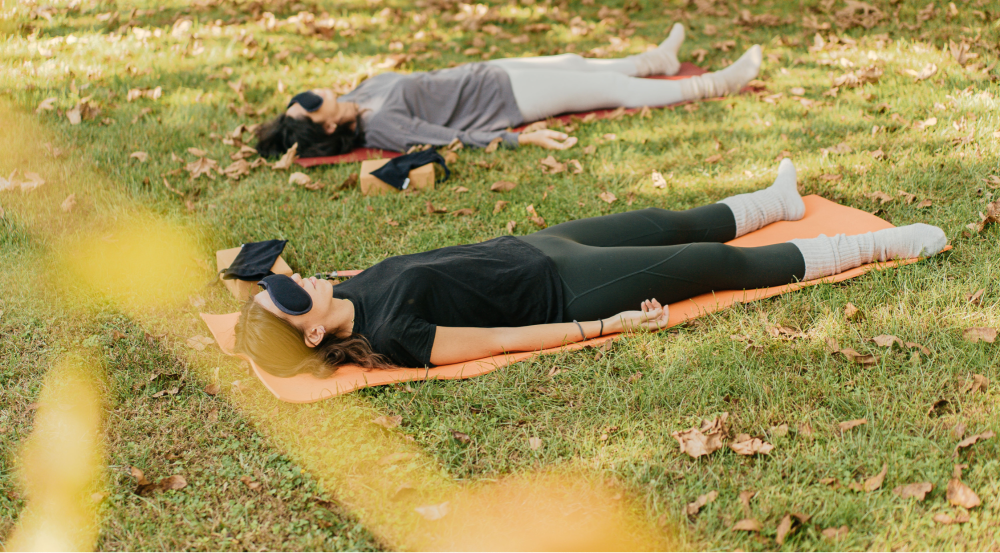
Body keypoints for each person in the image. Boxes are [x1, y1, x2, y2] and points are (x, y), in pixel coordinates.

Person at [234, 160, 948, 376]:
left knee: (670, 220)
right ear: (309, 335)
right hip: (565, 287)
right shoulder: (396, 336)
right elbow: (501, 343)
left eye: (286, 285)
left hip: (540, 244)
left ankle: (776, 199)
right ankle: (883, 245)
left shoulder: (348, 288)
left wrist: (260, 289)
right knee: (711, 262)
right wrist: (601, 325)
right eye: (292, 298)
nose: (299, 283)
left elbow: (260, 265)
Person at [254, 24, 764, 158]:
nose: (318, 90)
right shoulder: (381, 126)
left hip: (491, 71)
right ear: (325, 123)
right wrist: (518, 139)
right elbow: (439, 137)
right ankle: (715, 83)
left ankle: (661, 60)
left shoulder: (364, 89)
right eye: (312, 101)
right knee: (609, 87)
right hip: (508, 99)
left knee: (577, 62)